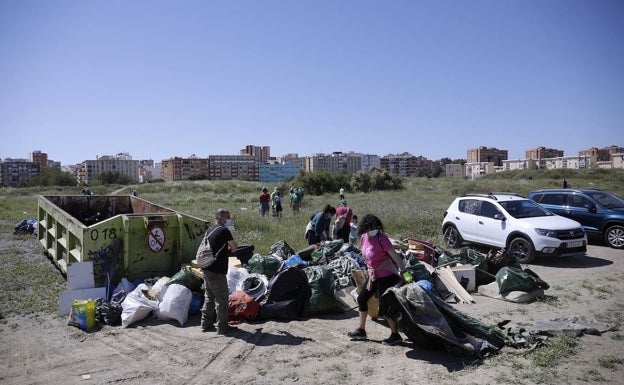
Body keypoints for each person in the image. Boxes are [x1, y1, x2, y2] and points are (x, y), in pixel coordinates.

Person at [347, 214, 408, 346]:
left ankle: (395, 335)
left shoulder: (382, 238)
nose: (374, 229)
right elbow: (366, 257)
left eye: (376, 227)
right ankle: (361, 330)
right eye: (371, 227)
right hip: (373, 276)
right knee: (362, 298)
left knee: (384, 306)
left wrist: (404, 272)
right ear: (365, 228)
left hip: (387, 276)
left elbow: (395, 256)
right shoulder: (363, 238)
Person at [199, 209, 240, 335]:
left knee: (209, 297)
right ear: (222, 218)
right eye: (228, 217)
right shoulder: (224, 231)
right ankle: (222, 327)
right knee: (222, 299)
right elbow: (234, 248)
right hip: (217, 270)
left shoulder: (210, 229)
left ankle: (205, 324)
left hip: (206, 267)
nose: (229, 220)